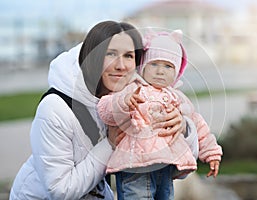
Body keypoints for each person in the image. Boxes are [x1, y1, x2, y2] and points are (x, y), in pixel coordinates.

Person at [9, 21, 199, 200]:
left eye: (129, 56)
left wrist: (182, 128)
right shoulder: (56, 109)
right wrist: (109, 144)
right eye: (110, 54)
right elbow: (60, 191)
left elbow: (169, 169)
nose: (121, 65)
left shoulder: (132, 101)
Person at [97, 29, 223, 200]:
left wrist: (212, 153)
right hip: (135, 165)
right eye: (154, 64)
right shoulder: (133, 88)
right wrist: (124, 102)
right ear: (143, 67)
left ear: (177, 71)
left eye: (168, 66)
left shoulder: (178, 98)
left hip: (165, 166)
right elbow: (105, 108)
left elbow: (198, 125)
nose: (160, 71)